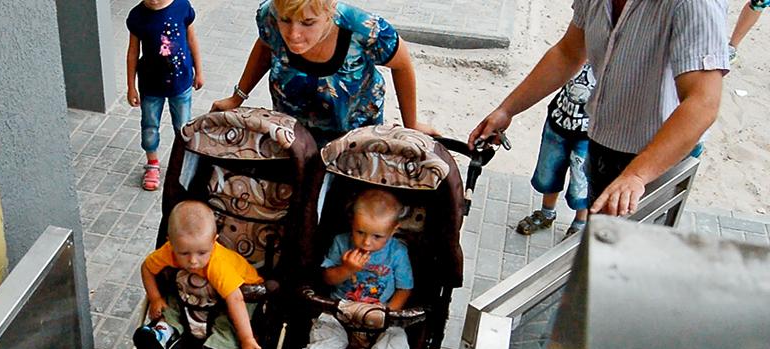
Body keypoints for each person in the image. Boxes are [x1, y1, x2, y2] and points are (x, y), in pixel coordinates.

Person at [469, 0, 728, 217]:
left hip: (658, 160)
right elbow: (568, 53)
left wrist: (637, 175)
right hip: (603, 140)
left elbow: (702, 103)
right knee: (599, 240)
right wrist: (507, 110)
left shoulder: (695, 4)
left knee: (635, 251)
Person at [210, 0, 437, 146]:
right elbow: (265, 44)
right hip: (293, 133)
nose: (294, 34)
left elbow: (402, 64)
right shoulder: (270, 14)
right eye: (285, 20)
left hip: (353, 138)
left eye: (308, 22)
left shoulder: (364, 29)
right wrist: (237, 97)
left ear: (329, 11)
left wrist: (411, 123)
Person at [297, 189, 413, 349]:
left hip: (377, 317)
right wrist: (347, 269)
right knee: (324, 327)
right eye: (360, 232)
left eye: (377, 236)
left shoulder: (397, 252)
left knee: (395, 336)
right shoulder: (341, 242)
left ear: (394, 230)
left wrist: (388, 313)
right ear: (352, 222)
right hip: (341, 311)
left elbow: (404, 288)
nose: (366, 242)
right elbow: (328, 278)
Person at [135, 201, 264, 349]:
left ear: (214, 241)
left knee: (227, 325)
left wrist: (246, 338)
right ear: (170, 243)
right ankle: (162, 332)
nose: (193, 261)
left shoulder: (219, 265)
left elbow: (236, 299)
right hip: (194, 292)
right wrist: (155, 298)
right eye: (184, 253)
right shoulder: (169, 251)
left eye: (202, 253)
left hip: (242, 295)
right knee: (171, 300)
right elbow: (147, 268)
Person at [127, 0, 204, 191]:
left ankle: (182, 162)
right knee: (150, 126)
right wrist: (131, 86)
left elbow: (192, 40)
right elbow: (133, 52)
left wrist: (199, 71)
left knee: (183, 127)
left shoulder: (182, 7)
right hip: (150, 86)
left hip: (181, 84)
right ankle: (152, 163)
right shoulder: (137, 16)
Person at [515, 65, 596, 239]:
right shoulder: (583, 51)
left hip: (590, 134)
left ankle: (580, 222)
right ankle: (547, 212)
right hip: (559, 120)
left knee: (582, 181)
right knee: (548, 171)